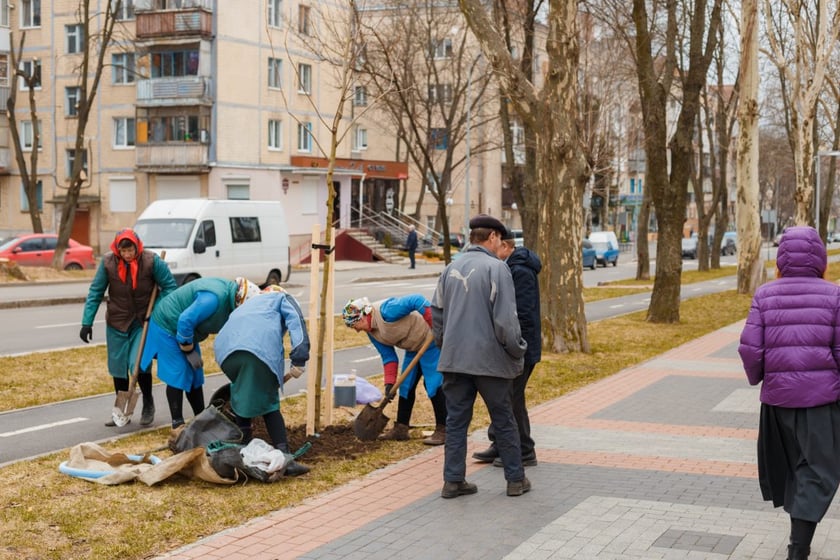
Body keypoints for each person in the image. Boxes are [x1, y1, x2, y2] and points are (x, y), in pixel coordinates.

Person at [738, 226, 840, 560]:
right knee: (817, 471)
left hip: (778, 403)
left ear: (782, 257)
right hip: (820, 404)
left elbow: (751, 350)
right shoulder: (834, 296)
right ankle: (798, 549)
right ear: (820, 258)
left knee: (793, 468)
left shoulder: (765, 295)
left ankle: (798, 540)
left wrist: (760, 379)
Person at [431, 213, 529, 499]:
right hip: (490, 362)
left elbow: (436, 313)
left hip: (454, 359)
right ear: (494, 237)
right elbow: (506, 322)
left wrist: (445, 344)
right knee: (503, 419)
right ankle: (515, 479)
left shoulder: (450, 269)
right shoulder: (497, 269)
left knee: (456, 421)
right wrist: (517, 349)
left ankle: (453, 481)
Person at [80, 228, 177, 427]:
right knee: (117, 367)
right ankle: (120, 410)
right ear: (117, 250)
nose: (127, 255)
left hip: (143, 321)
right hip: (117, 321)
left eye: (130, 250)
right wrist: (86, 322)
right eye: (123, 251)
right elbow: (95, 292)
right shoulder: (108, 263)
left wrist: (157, 310)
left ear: (136, 246)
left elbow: (170, 288)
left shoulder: (152, 261)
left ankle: (148, 403)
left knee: (139, 363)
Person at [214, 285, 312, 477]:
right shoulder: (283, 299)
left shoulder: (250, 304)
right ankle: (286, 458)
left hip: (225, 352)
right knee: (269, 403)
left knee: (241, 395)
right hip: (256, 349)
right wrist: (299, 358)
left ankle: (244, 453)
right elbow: (296, 322)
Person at [141, 276, 261, 429]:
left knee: (195, 373)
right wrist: (188, 350)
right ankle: (177, 424)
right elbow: (185, 320)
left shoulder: (230, 300)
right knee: (178, 372)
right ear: (240, 301)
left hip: (187, 331)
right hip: (168, 324)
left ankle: (202, 418)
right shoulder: (214, 299)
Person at [473, 229, 542, 467]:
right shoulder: (512, 267)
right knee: (507, 396)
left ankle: (523, 450)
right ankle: (501, 443)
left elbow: (520, 313)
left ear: (506, 246)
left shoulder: (519, 270)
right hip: (515, 345)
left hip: (521, 346)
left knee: (511, 397)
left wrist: (513, 344)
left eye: (497, 247)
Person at [342, 294, 446, 445]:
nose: (356, 330)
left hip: (430, 342)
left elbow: (416, 300)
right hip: (412, 348)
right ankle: (401, 429)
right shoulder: (372, 333)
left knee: (432, 385)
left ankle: (444, 430)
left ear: (363, 317)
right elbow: (388, 357)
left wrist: (434, 324)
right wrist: (389, 383)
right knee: (405, 386)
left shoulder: (387, 311)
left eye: (354, 325)